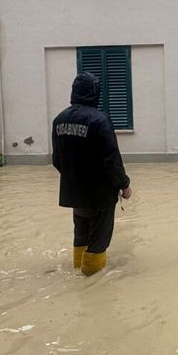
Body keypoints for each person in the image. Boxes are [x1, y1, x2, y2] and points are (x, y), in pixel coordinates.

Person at [51, 72, 132, 276]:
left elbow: (57, 160)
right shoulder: (100, 120)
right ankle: (92, 284)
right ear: (95, 93)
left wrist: (73, 177)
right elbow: (111, 159)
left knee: (81, 235)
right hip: (100, 193)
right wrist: (124, 184)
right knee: (99, 239)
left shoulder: (59, 120)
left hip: (74, 193)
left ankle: (78, 270)